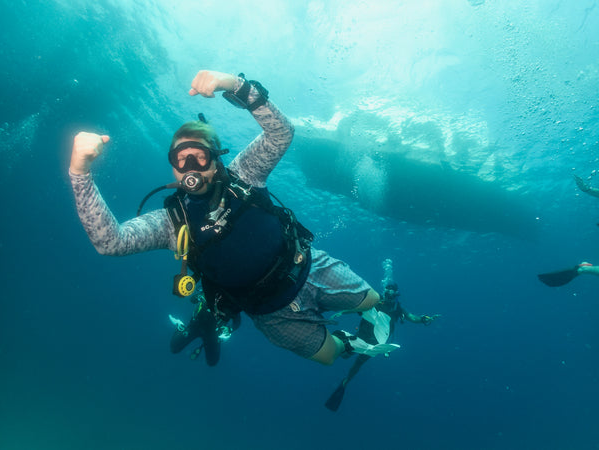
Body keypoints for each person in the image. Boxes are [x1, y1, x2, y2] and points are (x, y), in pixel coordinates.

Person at [69, 69, 399, 366]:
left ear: (216, 161)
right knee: (329, 356)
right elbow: (110, 242)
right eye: (179, 160)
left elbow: (281, 133)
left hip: (310, 267)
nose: (190, 168)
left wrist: (233, 84)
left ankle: (369, 311)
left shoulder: (244, 173)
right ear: (171, 165)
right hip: (271, 313)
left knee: (372, 299)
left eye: (199, 157)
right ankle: (348, 343)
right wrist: (79, 172)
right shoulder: (173, 223)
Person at [325, 259, 440, 411]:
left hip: (376, 343)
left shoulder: (398, 309)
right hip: (362, 336)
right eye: (387, 292)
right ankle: (334, 355)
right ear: (384, 291)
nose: (389, 296)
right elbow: (358, 306)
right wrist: (342, 312)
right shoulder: (375, 301)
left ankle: (346, 381)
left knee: (358, 361)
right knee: (347, 353)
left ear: (396, 295)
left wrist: (424, 319)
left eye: (392, 293)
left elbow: (412, 317)